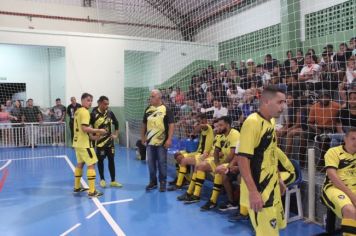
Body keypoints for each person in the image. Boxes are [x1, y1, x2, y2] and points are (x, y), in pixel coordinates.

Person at [235, 86, 288, 235]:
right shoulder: (252, 122)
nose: (283, 106)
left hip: (272, 186)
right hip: (260, 191)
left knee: (277, 229)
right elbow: (242, 158)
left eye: (284, 102)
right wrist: (253, 192)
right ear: (265, 101)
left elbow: (270, 155)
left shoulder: (270, 122)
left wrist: (279, 179)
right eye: (279, 102)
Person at [321, 128, 356, 236]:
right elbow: (333, 177)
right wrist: (353, 197)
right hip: (333, 188)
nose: (355, 142)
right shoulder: (333, 152)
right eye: (353, 138)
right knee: (350, 210)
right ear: (345, 139)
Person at [72, 93, 107, 198]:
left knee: (80, 164)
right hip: (84, 145)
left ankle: (77, 187)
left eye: (91, 100)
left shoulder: (77, 111)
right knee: (91, 165)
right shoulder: (85, 112)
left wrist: (94, 137)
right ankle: (92, 191)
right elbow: (84, 128)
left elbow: (82, 130)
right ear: (82, 100)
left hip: (77, 143)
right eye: (88, 100)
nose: (90, 102)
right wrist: (99, 130)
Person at [168, 113, 214, 191]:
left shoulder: (208, 127)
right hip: (197, 152)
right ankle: (185, 179)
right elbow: (192, 134)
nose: (198, 122)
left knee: (182, 159)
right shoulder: (202, 130)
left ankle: (181, 183)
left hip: (204, 154)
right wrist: (187, 128)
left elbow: (199, 128)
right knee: (177, 155)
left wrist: (195, 125)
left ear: (204, 120)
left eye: (199, 120)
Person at [141, 89, 174, 192]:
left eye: (152, 96)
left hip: (162, 142)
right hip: (150, 142)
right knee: (151, 163)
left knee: (162, 163)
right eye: (150, 96)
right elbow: (144, 124)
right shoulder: (147, 109)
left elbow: (171, 125)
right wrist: (142, 136)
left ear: (158, 97)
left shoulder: (166, 109)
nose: (150, 98)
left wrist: (169, 139)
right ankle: (153, 182)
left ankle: (163, 182)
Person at [90, 96, 122, 188]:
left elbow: (116, 123)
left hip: (110, 142)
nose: (106, 106)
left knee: (111, 160)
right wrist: (93, 136)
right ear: (99, 103)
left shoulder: (110, 113)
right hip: (99, 143)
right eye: (105, 104)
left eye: (108, 104)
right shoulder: (93, 114)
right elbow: (89, 127)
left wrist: (115, 135)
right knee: (100, 161)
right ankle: (102, 179)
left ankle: (113, 181)